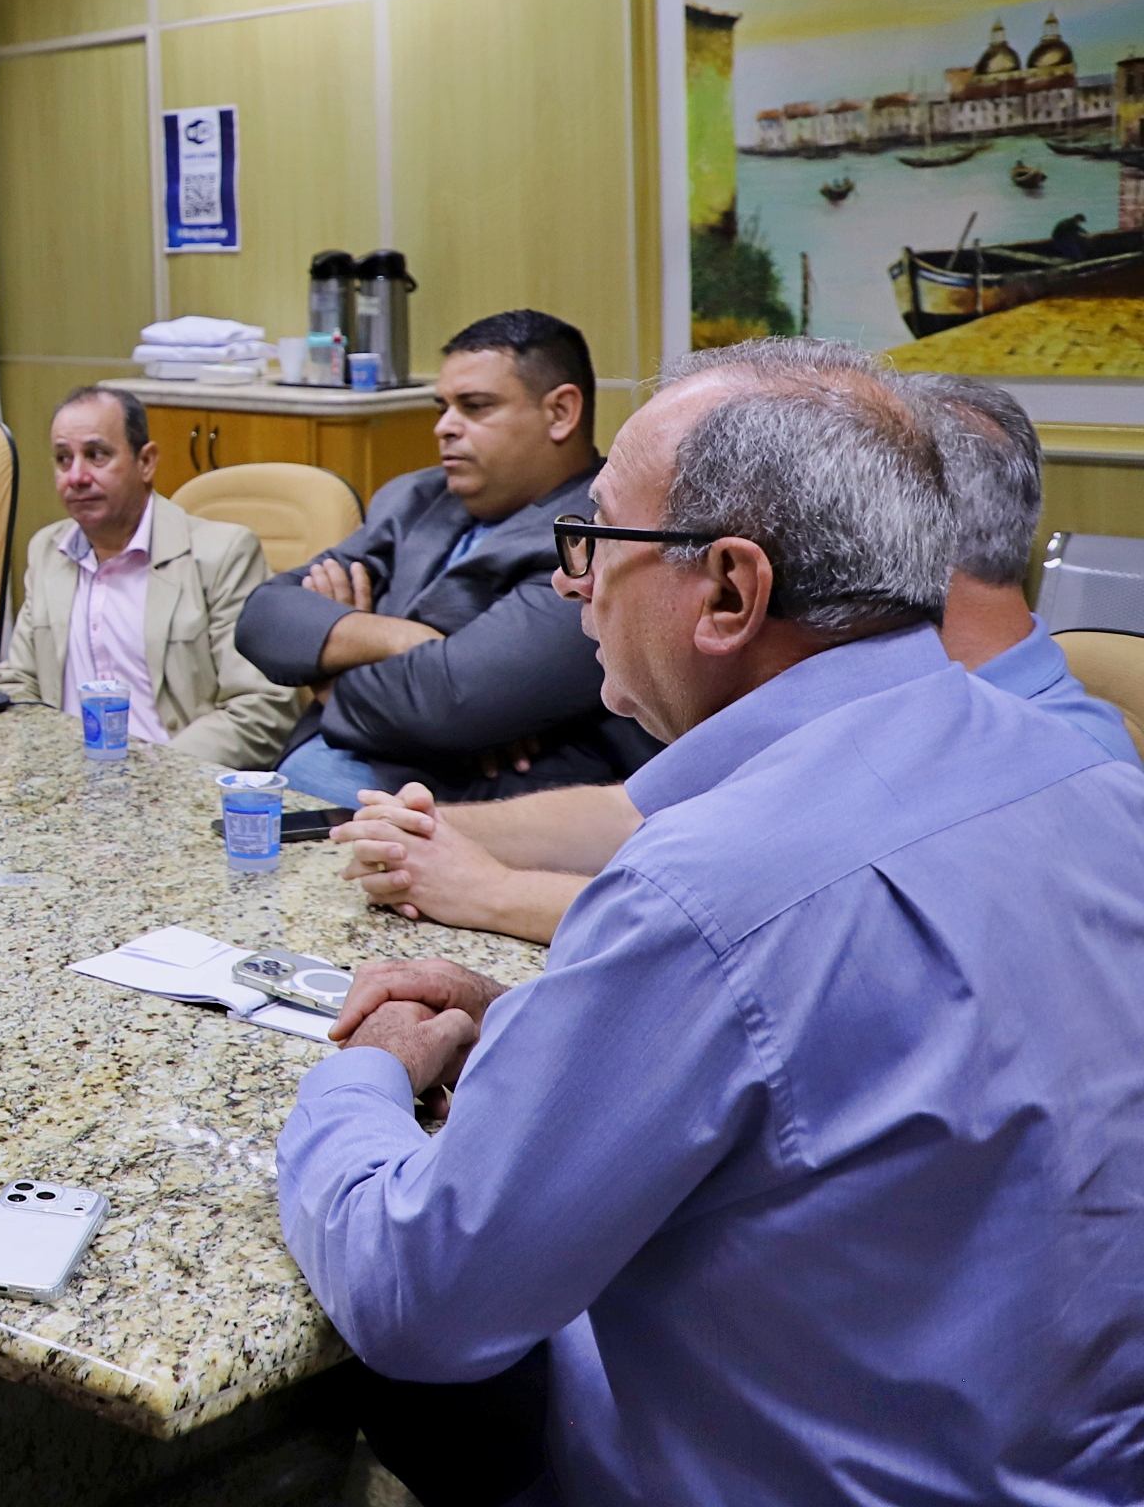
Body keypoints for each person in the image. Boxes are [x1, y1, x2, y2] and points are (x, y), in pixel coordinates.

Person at [277, 349, 1144, 1504]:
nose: (572, 584)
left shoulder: (704, 890)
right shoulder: (1095, 777)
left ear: (731, 591)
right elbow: (883, 1055)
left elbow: (422, 1297)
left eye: (594, 540)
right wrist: (552, 1018)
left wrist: (362, 1075)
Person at [333, 360, 1140, 944]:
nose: (573, 580)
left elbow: (752, 916)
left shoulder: (1055, 764)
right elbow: (640, 814)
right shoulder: (856, 715)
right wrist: (429, 830)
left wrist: (495, 892)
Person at [232, 310, 654, 805]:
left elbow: (448, 706)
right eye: (443, 407)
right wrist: (405, 639)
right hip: (309, 788)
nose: (445, 427)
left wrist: (323, 675)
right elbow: (264, 617)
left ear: (560, 412)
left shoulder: (599, 532)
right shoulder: (416, 498)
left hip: (448, 814)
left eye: (475, 407)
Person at [0, 384, 296, 767]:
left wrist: (153, 772)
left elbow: (261, 708)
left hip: (176, 777)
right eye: (64, 459)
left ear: (146, 462)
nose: (77, 476)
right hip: (66, 776)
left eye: (96, 455)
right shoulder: (48, 551)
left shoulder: (223, 555)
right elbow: (18, 683)